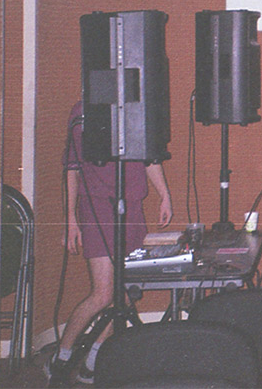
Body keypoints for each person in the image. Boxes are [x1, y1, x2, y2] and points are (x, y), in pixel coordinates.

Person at [48, 101, 173, 386]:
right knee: (104, 293)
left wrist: (164, 195)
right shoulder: (82, 111)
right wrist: (70, 218)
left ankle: (93, 358)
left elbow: (149, 158)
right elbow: (72, 168)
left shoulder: (138, 107)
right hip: (99, 209)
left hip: (132, 208)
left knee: (127, 291)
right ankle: (62, 356)